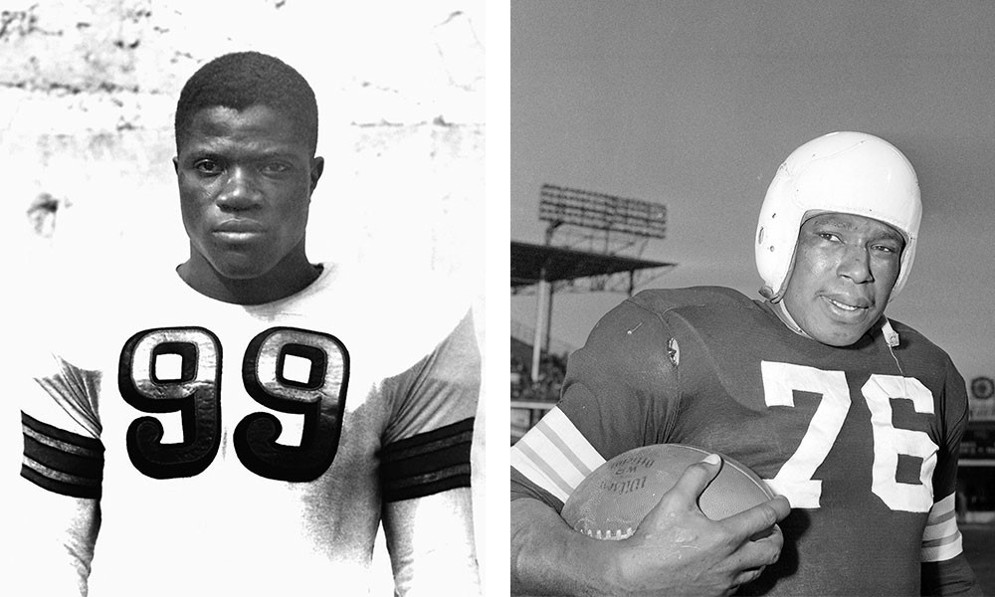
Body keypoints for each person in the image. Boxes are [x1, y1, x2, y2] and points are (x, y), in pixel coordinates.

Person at [17, 51, 481, 596]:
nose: (238, 195)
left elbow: (437, 563)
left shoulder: (410, 325)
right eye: (210, 166)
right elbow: (46, 559)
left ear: (313, 177)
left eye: (273, 167)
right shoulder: (84, 319)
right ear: (179, 174)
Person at [510, 131, 981, 596]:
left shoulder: (928, 373)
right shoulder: (673, 341)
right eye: (830, 235)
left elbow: (943, 573)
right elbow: (502, 509)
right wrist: (615, 575)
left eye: (883, 247)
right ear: (782, 235)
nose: (858, 269)